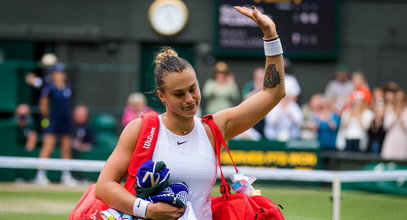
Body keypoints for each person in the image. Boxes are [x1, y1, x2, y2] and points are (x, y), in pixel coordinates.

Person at [95, 6, 285, 220]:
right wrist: (146, 209)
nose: (190, 99)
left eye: (193, 88)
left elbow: (273, 93)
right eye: (179, 94)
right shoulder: (140, 129)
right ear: (161, 96)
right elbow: (103, 187)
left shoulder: (213, 129)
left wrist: (270, 36)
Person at [33, 64, 77, 186]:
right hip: (53, 121)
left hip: (66, 121)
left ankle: (66, 176)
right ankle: (40, 175)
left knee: (66, 149)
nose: (60, 75)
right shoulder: (49, 88)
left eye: (62, 73)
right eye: (58, 73)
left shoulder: (68, 87)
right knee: (48, 147)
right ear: (53, 75)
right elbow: (43, 104)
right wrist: (46, 118)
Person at [381, 89, 407, 160]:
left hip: (402, 138)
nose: (399, 103)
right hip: (391, 137)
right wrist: (395, 116)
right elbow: (386, 126)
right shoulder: (390, 110)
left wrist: (401, 117)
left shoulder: (405, 111)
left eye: (401, 100)